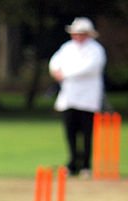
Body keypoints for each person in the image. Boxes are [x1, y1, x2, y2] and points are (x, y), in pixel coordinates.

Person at [49, 18, 106, 177]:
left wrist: (65, 73)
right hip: (69, 97)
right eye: (75, 33)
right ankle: (73, 163)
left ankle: (86, 165)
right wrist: (56, 71)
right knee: (70, 132)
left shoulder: (95, 50)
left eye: (81, 33)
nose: (78, 36)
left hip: (88, 98)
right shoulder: (67, 48)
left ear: (88, 34)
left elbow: (89, 68)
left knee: (87, 133)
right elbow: (55, 62)